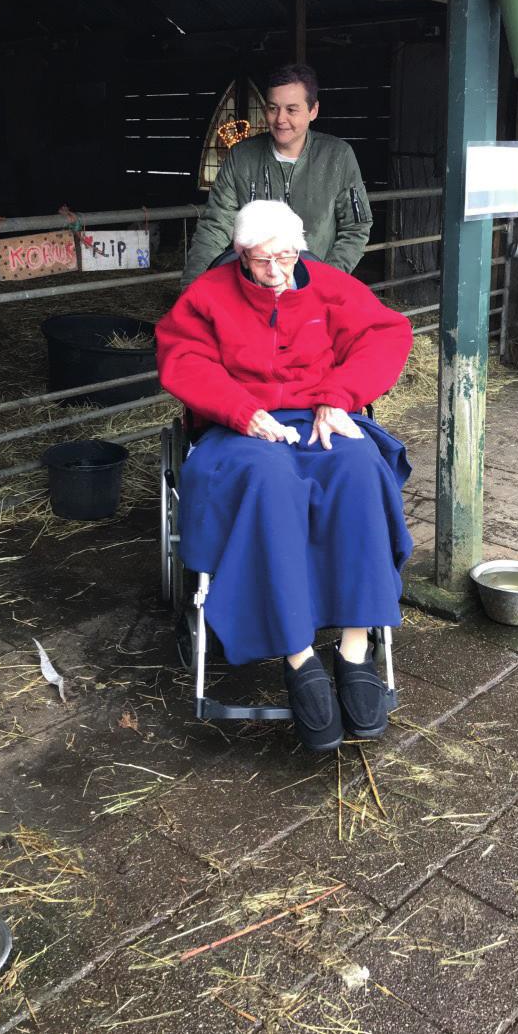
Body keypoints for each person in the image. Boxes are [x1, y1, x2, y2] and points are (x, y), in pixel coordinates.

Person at [156, 200, 413, 752]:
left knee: (358, 467)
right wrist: (240, 410)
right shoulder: (209, 295)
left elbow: (386, 334)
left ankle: (352, 649)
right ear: (241, 255)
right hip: (239, 428)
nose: (277, 273)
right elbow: (184, 358)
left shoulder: (324, 283)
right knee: (268, 482)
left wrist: (339, 399)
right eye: (262, 262)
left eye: (287, 257)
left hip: (319, 414)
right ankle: (298, 655)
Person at [182, 64, 372, 288]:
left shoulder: (338, 157)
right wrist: (193, 288)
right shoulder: (242, 157)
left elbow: (355, 228)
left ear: (313, 110)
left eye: (292, 110)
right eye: (273, 108)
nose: (280, 119)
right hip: (251, 286)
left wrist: (323, 282)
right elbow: (215, 226)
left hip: (314, 285)